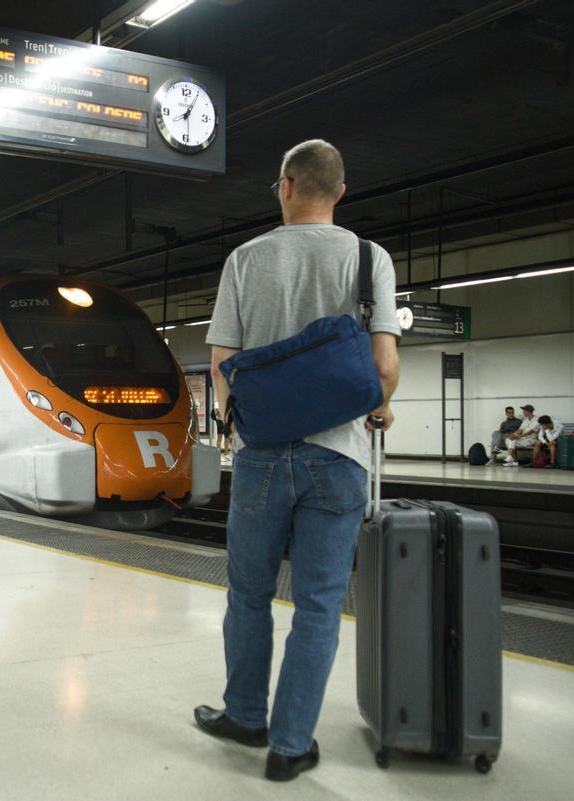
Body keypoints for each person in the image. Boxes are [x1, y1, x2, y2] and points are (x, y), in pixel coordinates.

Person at [195, 140, 401, 782]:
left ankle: (245, 717)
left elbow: (221, 365)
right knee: (317, 605)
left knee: (249, 594)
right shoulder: (371, 258)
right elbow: (385, 368)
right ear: (340, 193)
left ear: (285, 186)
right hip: (340, 456)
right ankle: (289, 747)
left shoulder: (244, 259)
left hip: (260, 456)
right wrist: (378, 405)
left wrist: (245, 423)